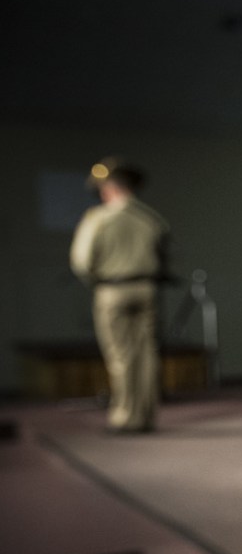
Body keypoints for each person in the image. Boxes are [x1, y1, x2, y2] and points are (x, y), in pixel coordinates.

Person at [70, 157, 170, 434]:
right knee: (147, 355)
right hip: (147, 289)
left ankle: (125, 418)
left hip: (112, 290)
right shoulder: (151, 219)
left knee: (120, 356)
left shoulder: (98, 219)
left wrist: (98, 281)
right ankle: (146, 416)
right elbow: (164, 257)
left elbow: (82, 261)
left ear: (107, 189)